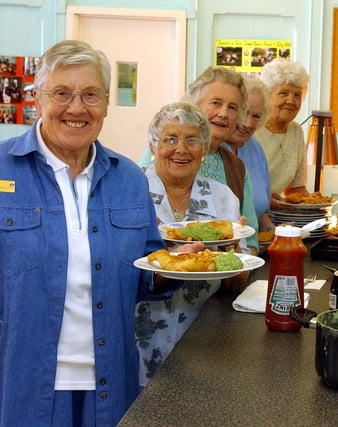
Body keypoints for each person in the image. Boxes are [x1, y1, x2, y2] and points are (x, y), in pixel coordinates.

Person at [0, 40, 193, 426]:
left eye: (90, 95)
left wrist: (175, 264)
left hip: (110, 381)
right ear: (38, 98)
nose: (76, 107)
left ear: (105, 103)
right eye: (62, 93)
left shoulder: (128, 180)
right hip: (18, 382)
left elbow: (144, 274)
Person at [136, 101, 245, 386]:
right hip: (136, 339)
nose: (181, 149)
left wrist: (234, 252)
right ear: (152, 145)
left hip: (203, 340)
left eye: (192, 140)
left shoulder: (223, 199)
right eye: (170, 139)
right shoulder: (130, 192)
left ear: (205, 151)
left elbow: (237, 279)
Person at [182, 67, 260, 256]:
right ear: (194, 105)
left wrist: (237, 263)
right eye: (216, 103)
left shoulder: (238, 169)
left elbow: (251, 242)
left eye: (232, 107)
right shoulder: (166, 154)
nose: (223, 113)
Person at [254, 58, 311, 209]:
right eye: (283, 93)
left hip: (279, 214)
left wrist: (314, 204)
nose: (291, 101)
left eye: (297, 95)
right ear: (267, 95)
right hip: (248, 212)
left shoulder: (296, 132)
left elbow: (296, 188)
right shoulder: (252, 130)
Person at [223, 77, 274, 232]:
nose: (248, 124)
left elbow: (259, 211)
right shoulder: (209, 149)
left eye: (256, 116)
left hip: (253, 249)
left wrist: (277, 232)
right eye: (244, 113)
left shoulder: (256, 149)